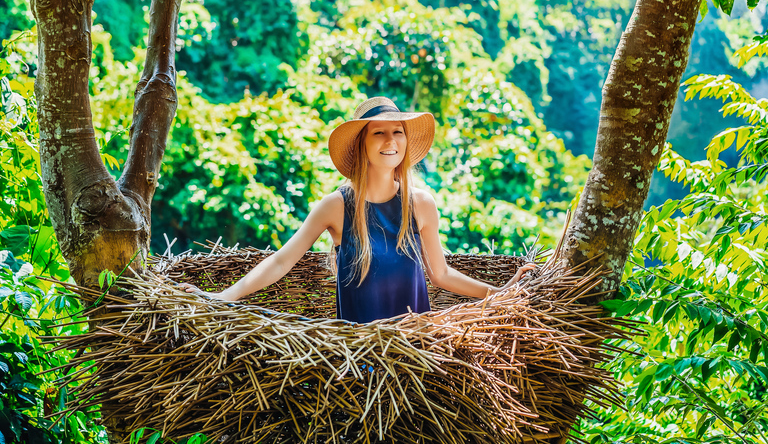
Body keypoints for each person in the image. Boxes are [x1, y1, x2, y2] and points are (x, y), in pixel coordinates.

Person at [183, 97, 536, 323]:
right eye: (378, 133)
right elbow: (279, 262)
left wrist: (502, 293)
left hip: (418, 354)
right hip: (360, 361)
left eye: (397, 132)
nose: (390, 141)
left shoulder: (421, 205)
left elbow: (442, 275)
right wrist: (220, 297)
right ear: (361, 144)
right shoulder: (337, 206)